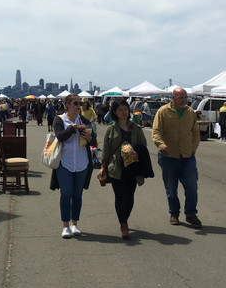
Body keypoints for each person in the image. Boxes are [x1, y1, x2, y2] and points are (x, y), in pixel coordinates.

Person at [100, 99, 152, 238]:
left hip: (132, 167)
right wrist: (103, 166)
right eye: (120, 109)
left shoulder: (136, 128)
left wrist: (136, 152)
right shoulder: (111, 129)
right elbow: (106, 149)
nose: (123, 112)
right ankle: (124, 224)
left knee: (129, 197)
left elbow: (143, 145)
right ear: (115, 112)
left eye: (125, 109)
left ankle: (125, 218)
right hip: (116, 168)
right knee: (120, 197)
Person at [152, 87, 202, 227]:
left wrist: (193, 148)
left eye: (185, 97)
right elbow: (156, 132)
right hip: (169, 157)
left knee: (192, 187)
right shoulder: (162, 112)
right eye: (180, 97)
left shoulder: (190, 112)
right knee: (171, 188)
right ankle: (174, 213)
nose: (184, 100)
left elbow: (195, 133)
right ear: (173, 98)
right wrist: (161, 146)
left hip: (187, 157)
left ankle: (191, 214)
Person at [50, 94, 95, 238]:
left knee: (77, 194)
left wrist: (89, 138)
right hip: (64, 162)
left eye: (80, 103)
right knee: (66, 193)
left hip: (82, 162)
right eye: (75, 103)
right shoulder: (59, 119)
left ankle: (74, 224)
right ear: (67, 105)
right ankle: (65, 225)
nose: (78, 105)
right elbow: (60, 136)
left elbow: (94, 141)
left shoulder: (84, 120)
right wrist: (72, 128)